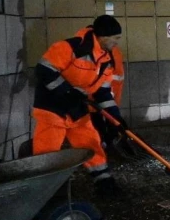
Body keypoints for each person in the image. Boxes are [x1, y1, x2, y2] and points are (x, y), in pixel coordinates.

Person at [32, 15, 126, 196]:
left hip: (77, 107)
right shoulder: (69, 47)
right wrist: (67, 92)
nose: (117, 42)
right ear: (103, 36)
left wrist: (115, 117)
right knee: (47, 152)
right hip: (52, 108)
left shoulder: (106, 59)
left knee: (91, 144)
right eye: (116, 38)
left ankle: (104, 182)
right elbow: (44, 70)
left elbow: (103, 92)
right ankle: (45, 192)